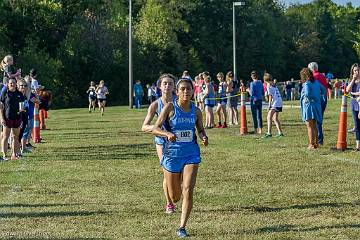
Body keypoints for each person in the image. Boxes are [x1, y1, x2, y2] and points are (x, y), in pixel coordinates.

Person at [151, 78, 208, 238]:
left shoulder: (196, 111)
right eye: (182, 89)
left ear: (193, 91)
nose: (185, 91)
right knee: (176, 197)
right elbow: (155, 128)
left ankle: (182, 227)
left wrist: (204, 136)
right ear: (177, 91)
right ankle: (174, 193)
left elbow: (200, 129)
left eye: (188, 89)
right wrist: (167, 133)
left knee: (188, 189)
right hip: (172, 155)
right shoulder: (170, 107)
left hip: (191, 153)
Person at [142, 73, 177, 214]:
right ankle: (169, 204)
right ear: (159, 86)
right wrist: (158, 129)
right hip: (161, 141)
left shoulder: (180, 102)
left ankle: (176, 195)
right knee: (166, 172)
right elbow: (144, 126)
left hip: (177, 141)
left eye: (170, 83)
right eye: (165, 83)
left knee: (177, 174)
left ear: (174, 86)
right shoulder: (155, 105)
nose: (167, 86)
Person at [300, 68, 326, 150]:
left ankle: (311, 144)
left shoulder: (306, 84)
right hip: (317, 105)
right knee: (314, 126)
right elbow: (324, 90)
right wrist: (318, 96)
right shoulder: (316, 82)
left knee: (309, 126)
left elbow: (307, 93)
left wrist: (308, 98)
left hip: (309, 106)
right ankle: (316, 144)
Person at [0, 78, 26, 160]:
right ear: (8, 84)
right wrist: (1, 118)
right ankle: (4, 155)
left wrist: (21, 118)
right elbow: (1, 107)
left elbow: (22, 107)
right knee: (5, 137)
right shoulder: (5, 93)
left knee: (16, 137)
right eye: (11, 83)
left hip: (17, 118)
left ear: (16, 84)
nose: (12, 84)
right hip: (7, 118)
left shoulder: (19, 94)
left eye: (14, 83)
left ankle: (14, 154)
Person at [308, 62, 328, 145]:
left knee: (316, 121)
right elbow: (325, 88)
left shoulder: (314, 77)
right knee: (319, 119)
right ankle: (319, 139)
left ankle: (319, 139)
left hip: (317, 100)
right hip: (324, 99)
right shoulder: (322, 76)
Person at [263, 73, 284, 138]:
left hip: (275, 103)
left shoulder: (268, 85)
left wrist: (269, 105)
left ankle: (269, 133)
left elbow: (270, 96)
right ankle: (280, 133)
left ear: (265, 80)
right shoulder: (273, 84)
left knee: (269, 117)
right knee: (275, 118)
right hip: (279, 101)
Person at [346, 63, 360, 150]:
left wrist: (353, 93)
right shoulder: (351, 80)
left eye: (358, 70)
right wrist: (353, 79)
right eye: (355, 70)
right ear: (352, 71)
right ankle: (358, 146)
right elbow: (347, 90)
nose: (357, 72)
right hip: (354, 104)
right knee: (357, 126)